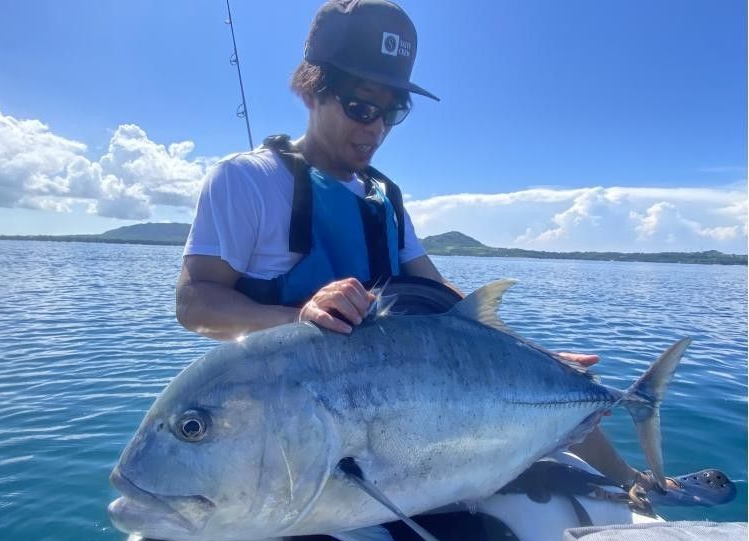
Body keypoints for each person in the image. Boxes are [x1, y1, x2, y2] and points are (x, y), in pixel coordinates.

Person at [176, 0, 655, 496]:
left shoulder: (385, 200)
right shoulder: (248, 181)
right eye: (362, 107)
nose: (376, 129)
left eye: (393, 112)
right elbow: (195, 303)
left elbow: (440, 294)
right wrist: (298, 317)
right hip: (292, 452)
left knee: (554, 411)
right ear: (313, 89)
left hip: (399, 443)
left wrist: (532, 356)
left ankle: (639, 483)